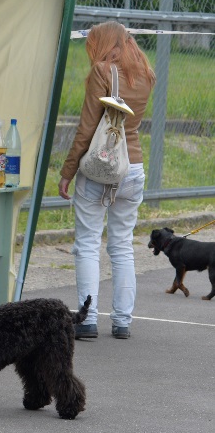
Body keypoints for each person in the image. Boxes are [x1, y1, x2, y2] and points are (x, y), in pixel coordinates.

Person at [59, 22, 155, 341]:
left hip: (102, 165)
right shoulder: (145, 74)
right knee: (122, 244)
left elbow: (88, 128)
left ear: (104, 44)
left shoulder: (102, 71)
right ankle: (122, 321)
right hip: (133, 166)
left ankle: (87, 320)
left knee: (87, 243)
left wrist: (67, 171)